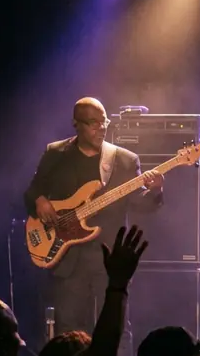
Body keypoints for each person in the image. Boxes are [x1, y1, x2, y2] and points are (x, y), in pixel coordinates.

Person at [24, 97, 164, 336]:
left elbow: (141, 203)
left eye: (104, 121)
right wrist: (39, 201)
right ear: (76, 124)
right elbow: (33, 190)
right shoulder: (55, 153)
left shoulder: (124, 159)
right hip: (66, 256)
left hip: (107, 257)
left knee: (114, 327)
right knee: (68, 329)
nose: (101, 128)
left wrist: (155, 189)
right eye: (93, 123)